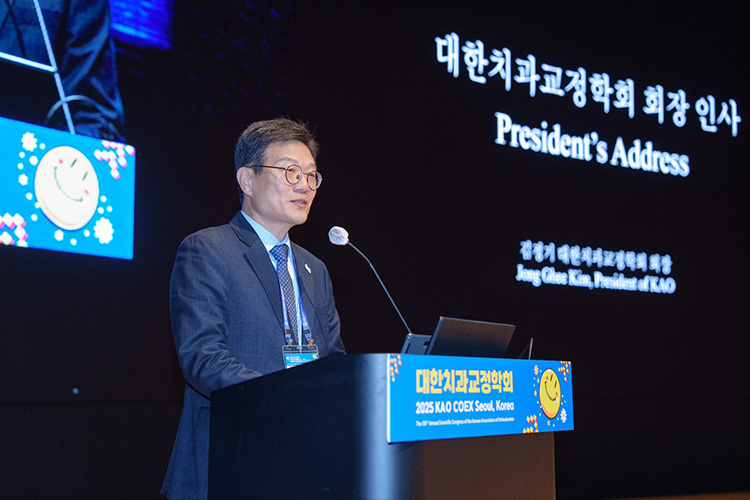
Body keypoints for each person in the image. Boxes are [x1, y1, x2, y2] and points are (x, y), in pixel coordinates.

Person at [161, 118, 345, 499]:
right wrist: (287, 397)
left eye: (311, 175)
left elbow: (333, 363)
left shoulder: (315, 269)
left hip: (307, 464)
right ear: (247, 179)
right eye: (291, 172)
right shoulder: (208, 250)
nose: (305, 185)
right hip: (233, 458)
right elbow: (203, 358)